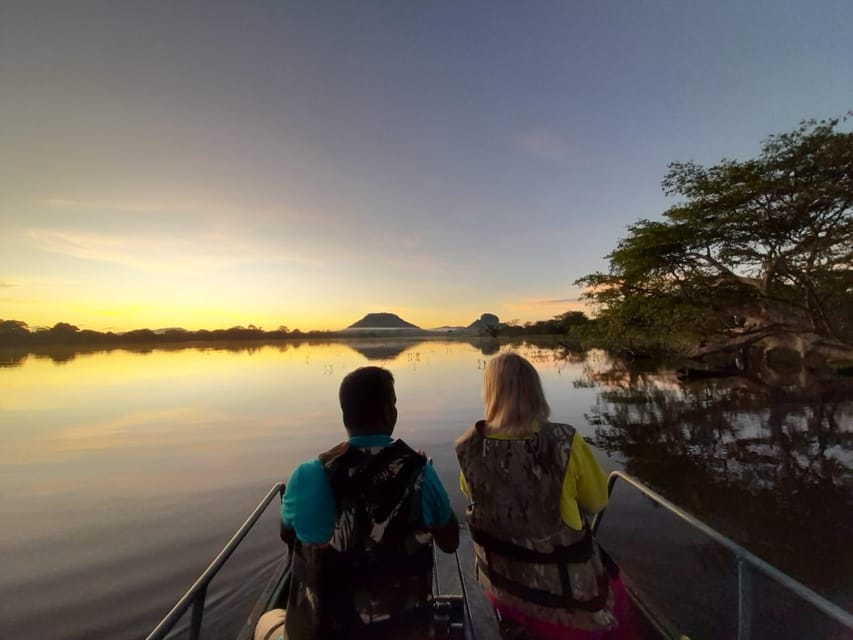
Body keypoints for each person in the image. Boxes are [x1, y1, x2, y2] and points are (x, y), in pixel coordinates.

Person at [256, 366, 459, 640]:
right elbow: (451, 543)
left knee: (268, 620)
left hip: (327, 632)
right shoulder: (421, 472)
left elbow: (289, 536)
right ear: (390, 412)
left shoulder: (307, 475)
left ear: (345, 417)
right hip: (406, 632)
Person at [455, 353, 636, 640]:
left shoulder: (469, 446)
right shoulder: (564, 441)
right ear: (534, 390)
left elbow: (472, 492)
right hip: (567, 599)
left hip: (503, 588)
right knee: (617, 592)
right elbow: (597, 502)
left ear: (490, 392)